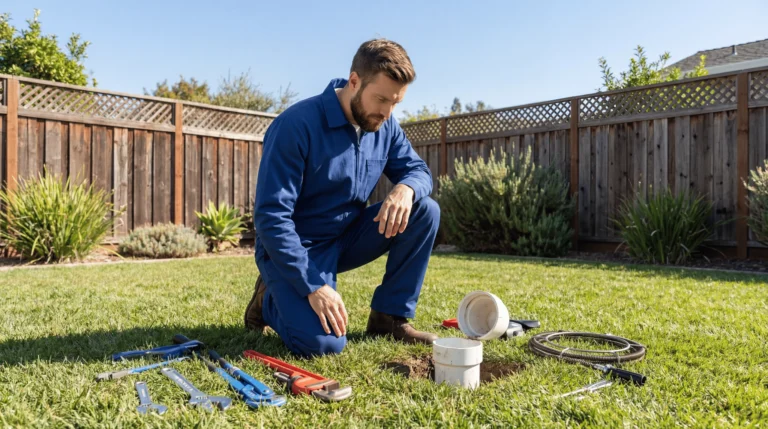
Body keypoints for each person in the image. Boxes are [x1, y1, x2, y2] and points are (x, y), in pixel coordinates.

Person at [244, 38, 441, 358]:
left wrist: (406, 188)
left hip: (347, 237)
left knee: (424, 209)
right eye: (381, 99)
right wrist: (312, 285)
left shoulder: (386, 126)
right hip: (297, 248)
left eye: (396, 102)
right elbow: (271, 216)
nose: (388, 112)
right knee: (323, 345)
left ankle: (389, 318)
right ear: (354, 81)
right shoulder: (296, 125)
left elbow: (419, 172)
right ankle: (267, 302)